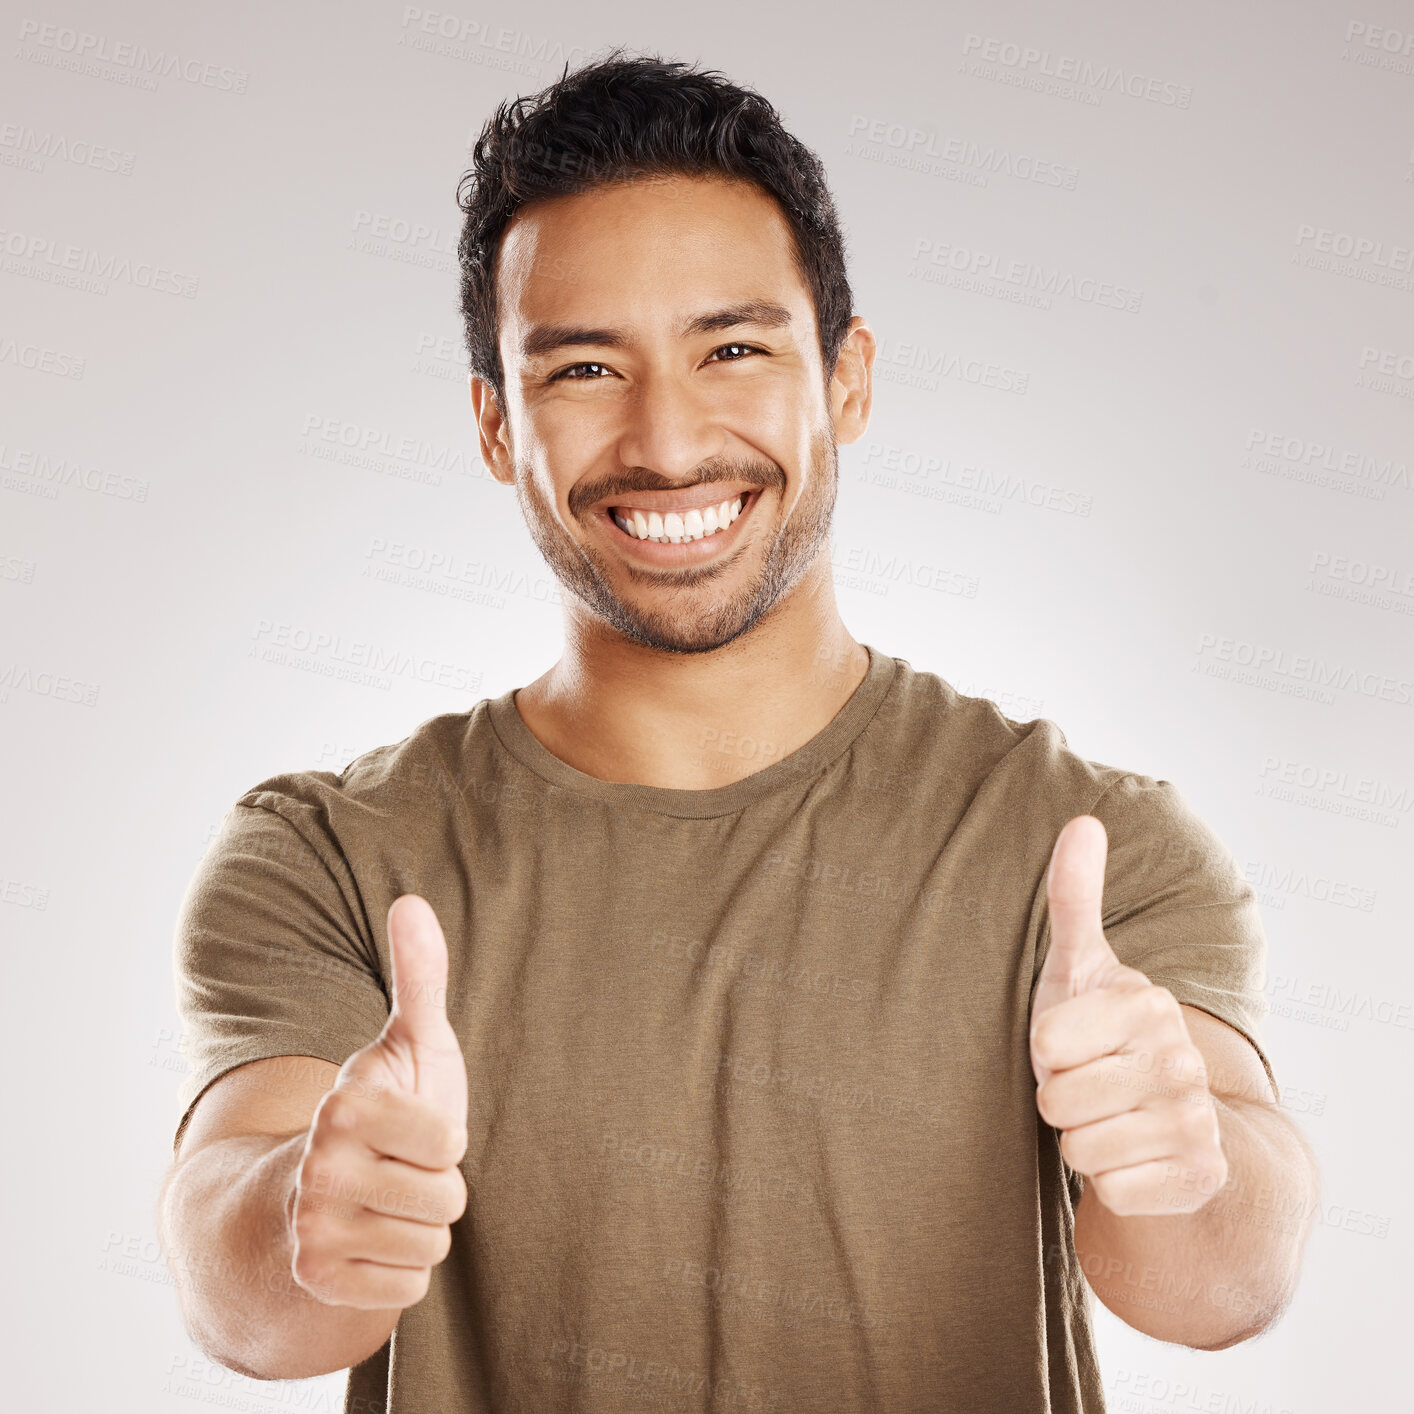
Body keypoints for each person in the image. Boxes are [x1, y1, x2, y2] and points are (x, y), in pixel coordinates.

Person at [158, 49, 1319, 1414]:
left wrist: (1184, 1161)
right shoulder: (331, 853)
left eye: (731, 349)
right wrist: (310, 1210)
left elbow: (1224, 1284)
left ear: (845, 379)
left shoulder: (1089, 844)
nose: (666, 440)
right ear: (494, 425)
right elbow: (243, 1296)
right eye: (584, 366)